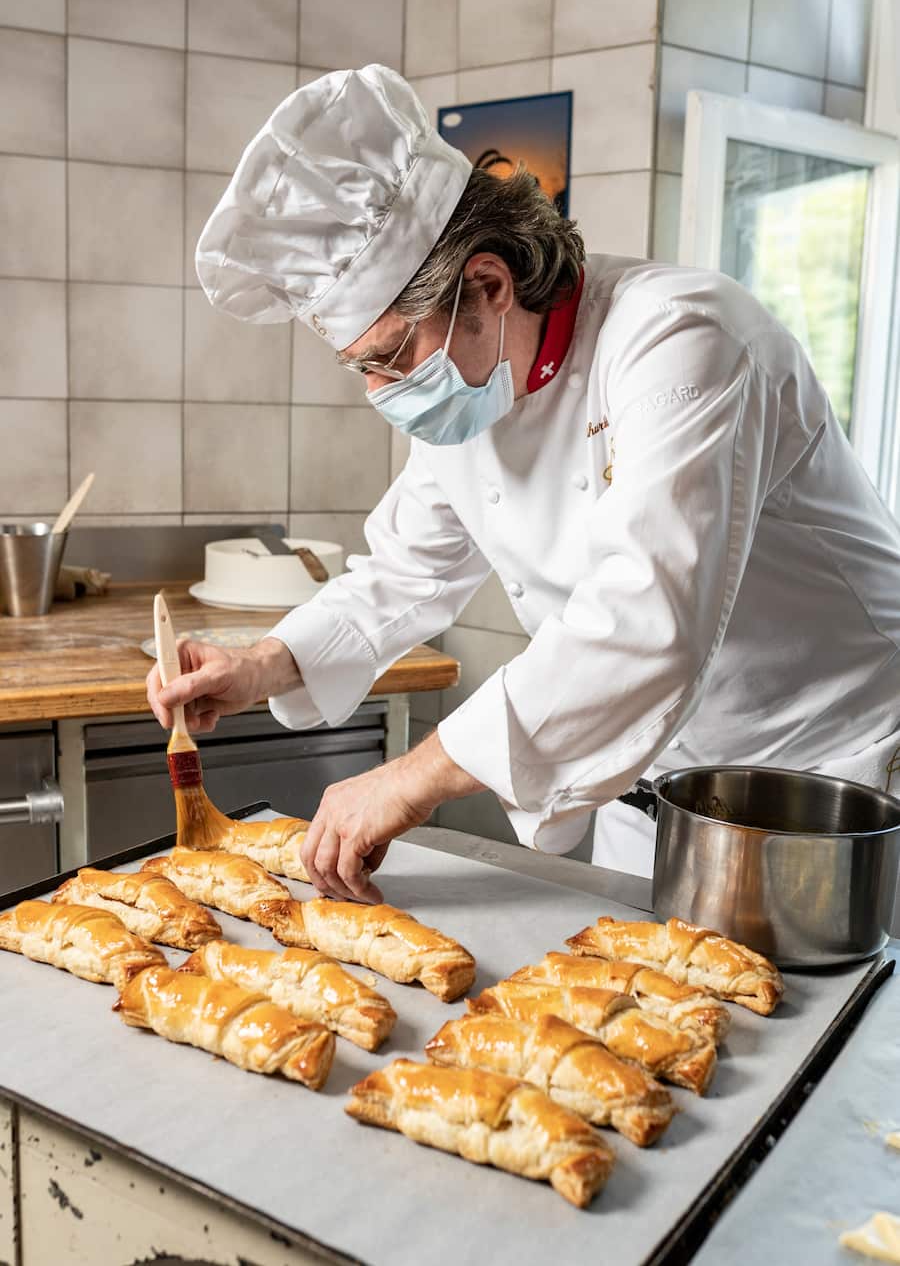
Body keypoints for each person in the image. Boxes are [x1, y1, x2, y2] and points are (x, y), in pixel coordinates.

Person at [147, 63, 900, 906]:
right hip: (650, 790)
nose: (381, 393)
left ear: (489, 285)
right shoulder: (474, 392)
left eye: (390, 356)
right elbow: (404, 575)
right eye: (361, 368)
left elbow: (645, 619)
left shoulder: (682, 341)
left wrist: (413, 778)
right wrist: (258, 667)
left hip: (823, 783)